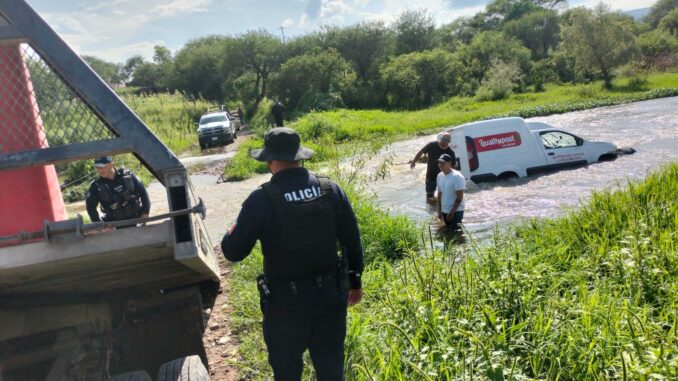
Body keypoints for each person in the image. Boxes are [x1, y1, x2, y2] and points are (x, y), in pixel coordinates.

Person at [221, 127, 364, 381]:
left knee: (287, 373)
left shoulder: (260, 200)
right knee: (331, 370)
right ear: (299, 157)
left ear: (269, 161)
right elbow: (352, 238)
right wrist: (355, 282)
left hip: (286, 308)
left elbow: (233, 252)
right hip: (330, 300)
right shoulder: (330, 189)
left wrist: (231, 230)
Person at [85, 156, 150, 223]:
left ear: (111, 164)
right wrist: (99, 224)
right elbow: (90, 207)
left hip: (136, 220)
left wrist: (145, 213)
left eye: (102, 167)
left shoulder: (128, 176)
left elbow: (143, 193)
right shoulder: (95, 187)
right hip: (114, 226)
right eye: (97, 167)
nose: (99, 170)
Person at [410, 132, 456, 199]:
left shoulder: (451, 153)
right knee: (429, 197)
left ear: (449, 142)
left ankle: (439, 209)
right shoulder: (432, 145)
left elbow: (453, 167)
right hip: (430, 177)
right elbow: (421, 152)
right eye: (443, 139)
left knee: (442, 197)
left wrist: (452, 179)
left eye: (446, 140)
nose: (443, 141)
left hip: (443, 178)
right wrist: (414, 161)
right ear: (440, 138)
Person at [436, 153, 465, 231]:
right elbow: (439, 194)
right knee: (448, 233)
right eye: (439, 162)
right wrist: (439, 212)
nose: (440, 165)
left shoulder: (457, 176)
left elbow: (459, 197)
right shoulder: (439, 176)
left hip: (456, 211)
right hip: (445, 210)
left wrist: (452, 213)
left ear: (449, 163)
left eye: (443, 163)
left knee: (456, 233)